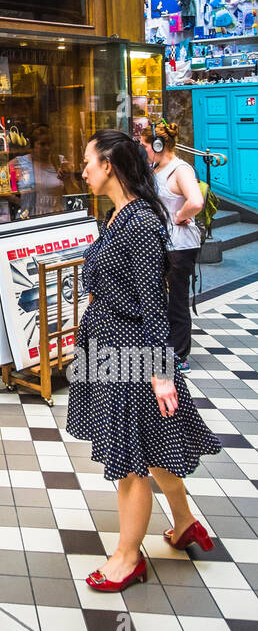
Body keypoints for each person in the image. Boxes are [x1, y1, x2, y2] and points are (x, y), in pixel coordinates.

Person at [66, 129, 220, 593]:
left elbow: (154, 304)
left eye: (88, 161)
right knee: (153, 446)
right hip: (112, 349)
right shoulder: (116, 217)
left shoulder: (140, 223)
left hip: (132, 355)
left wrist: (160, 373)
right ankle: (185, 522)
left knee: (131, 462)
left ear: (109, 164)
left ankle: (127, 557)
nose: (84, 169)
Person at [140, 120, 204, 373]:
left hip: (179, 245)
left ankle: (179, 355)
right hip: (163, 244)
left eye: (145, 145)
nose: (143, 149)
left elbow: (196, 201)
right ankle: (164, 348)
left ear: (158, 144)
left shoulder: (180, 170)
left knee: (176, 300)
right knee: (161, 300)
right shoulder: (156, 168)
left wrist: (178, 217)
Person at [9, 123, 80, 217]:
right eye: (42, 144)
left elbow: (76, 194)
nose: (47, 148)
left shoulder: (59, 162)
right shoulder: (20, 162)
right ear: (32, 145)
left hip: (57, 217)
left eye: (50, 143)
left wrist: (67, 180)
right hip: (30, 219)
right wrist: (18, 201)